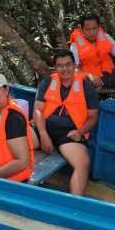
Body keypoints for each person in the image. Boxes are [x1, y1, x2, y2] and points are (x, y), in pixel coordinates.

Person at [33, 50, 99, 196]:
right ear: (55, 68)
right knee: (15, 139)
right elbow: (37, 110)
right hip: (43, 127)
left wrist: (80, 132)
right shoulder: (47, 82)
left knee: (82, 163)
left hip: (69, 134)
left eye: (68, 64)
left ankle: (74, 203)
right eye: (60, 65)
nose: (64, 69)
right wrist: (43, 134)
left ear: (74, 65)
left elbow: (93, 117)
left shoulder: (86, 86)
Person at [69, 14, 115, 99]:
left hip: (109, 74)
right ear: (82, 29)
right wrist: (89, 76)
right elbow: (74, 69)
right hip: (90, 78)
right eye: (88, 29)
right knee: (83, 86)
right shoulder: (75, 45)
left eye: (94, 28)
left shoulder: (106, 37)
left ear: (98, 27)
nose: (92, 32)